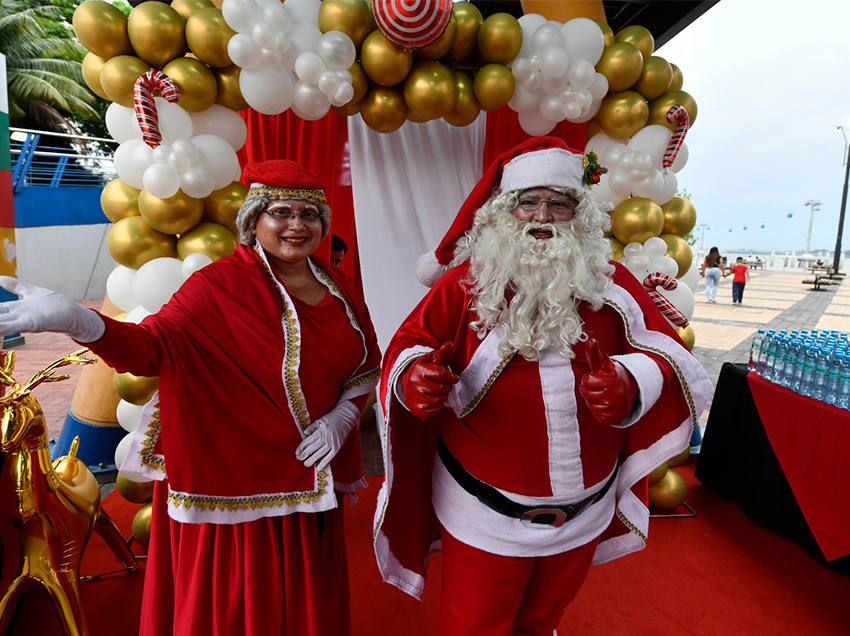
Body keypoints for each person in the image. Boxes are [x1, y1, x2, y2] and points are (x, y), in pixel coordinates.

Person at [0, 159, 381, 636]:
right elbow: (150, 348)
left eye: (309, 214)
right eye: (280, 212)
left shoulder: (336, 283)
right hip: (235, 481)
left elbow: (366, 358)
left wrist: (345, 415)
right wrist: (78, 320)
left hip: (311, 472)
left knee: (305, 607)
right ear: (254, 220)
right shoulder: (217, 284)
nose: (296, 225)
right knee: (243, 608)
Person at [372, 137, 711, 636]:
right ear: (504, 214)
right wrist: (413, 377)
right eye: (527, 202)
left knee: (542, 623)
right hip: (485, 517)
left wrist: (632, 382)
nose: (542, 216)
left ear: (581, 214)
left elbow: (670, 353)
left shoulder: (611, 284)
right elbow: (408, 343)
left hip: (583, 513)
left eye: (559, 203)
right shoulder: (463, 284)